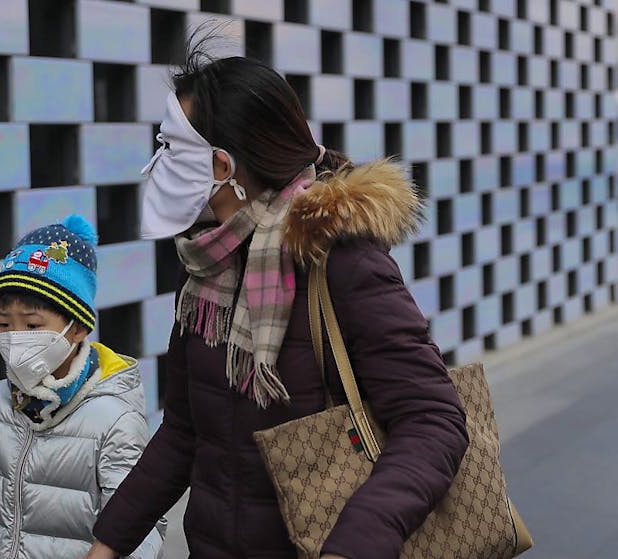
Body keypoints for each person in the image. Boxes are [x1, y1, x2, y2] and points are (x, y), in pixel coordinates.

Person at [84, 44, 469, 559]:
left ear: (222, 166)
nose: (160, 163)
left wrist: (352, 546)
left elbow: (433, 420)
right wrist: (108, 543)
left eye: (172, 148)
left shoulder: (342, 262)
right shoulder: (206, 268)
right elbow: (183, 432)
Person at [0, 215, 165, 559]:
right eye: (4, 323)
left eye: (32, 324)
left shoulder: (113, 420)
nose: (16, 337)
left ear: (78, 328)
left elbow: (139, 529)